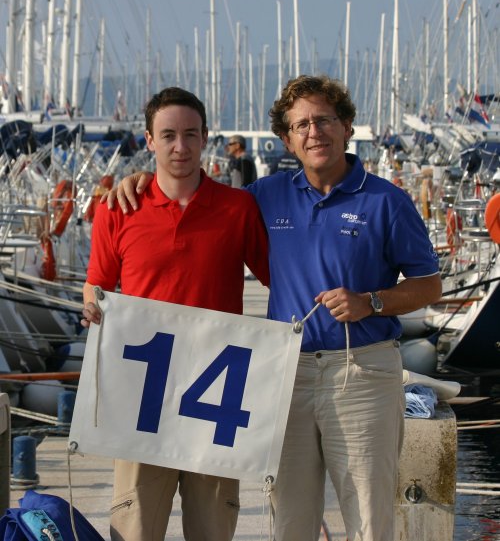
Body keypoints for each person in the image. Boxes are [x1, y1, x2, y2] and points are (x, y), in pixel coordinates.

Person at [104, 75, 442, 541]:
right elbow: (198, 197)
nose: (314, 133)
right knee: (289, 522)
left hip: (361, 372)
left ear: (347, 126)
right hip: (288, 375)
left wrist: (372, 302)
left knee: (369, 520)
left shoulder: (388, 200)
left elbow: (429, 286)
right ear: (287, 139)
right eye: (301, 125)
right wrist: (144, 180)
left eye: (324, 120)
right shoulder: (264, 197)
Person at [81, 86, 269, 541]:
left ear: (205, 137)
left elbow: (280, 282)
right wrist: (92, 308)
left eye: (190, 134)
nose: (179, 146)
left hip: (217, 397)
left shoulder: (238, 208)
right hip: (142, 399)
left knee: (212, 529)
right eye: (167, 135)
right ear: (149, 140)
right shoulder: (117, 208)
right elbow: (97, 285)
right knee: (135, 529)